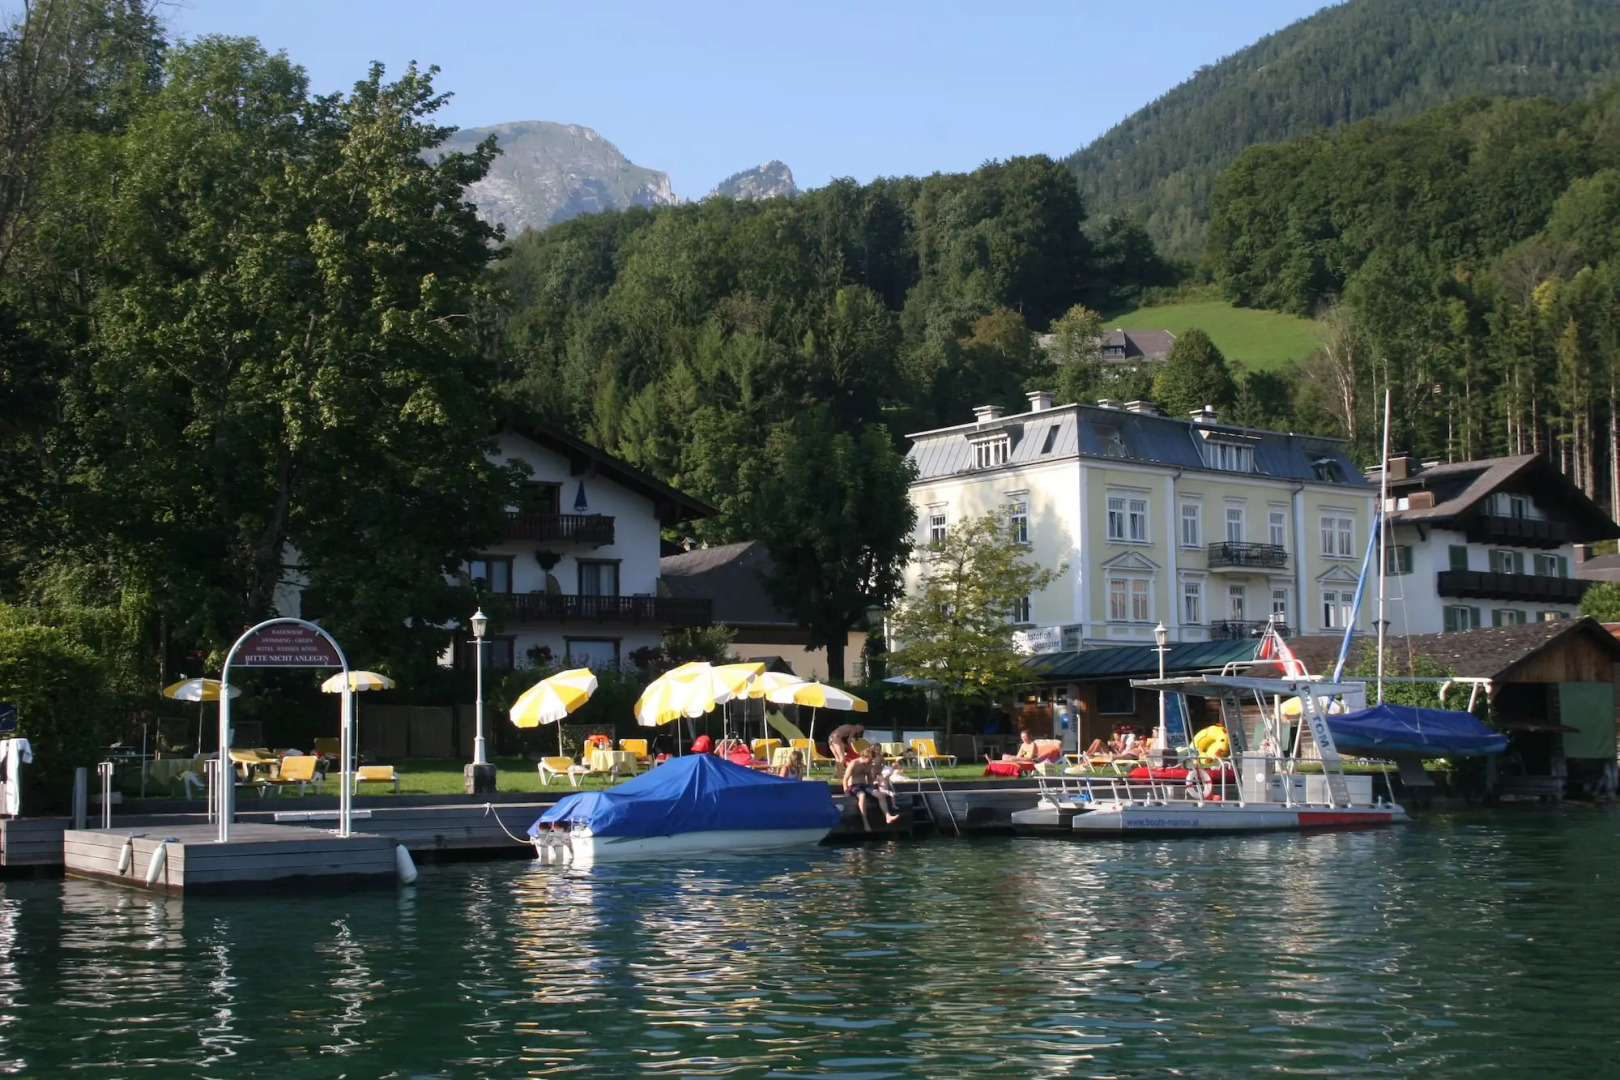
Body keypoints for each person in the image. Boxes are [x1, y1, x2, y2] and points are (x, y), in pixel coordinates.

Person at [844, 747, 900, 829]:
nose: (870, 762)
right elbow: (845, 779)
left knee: (880, 795)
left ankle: (888, 816)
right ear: (864, 757)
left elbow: (869, 778)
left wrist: (873, 789)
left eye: (871, 760)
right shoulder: (854, 764)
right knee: (862, 795)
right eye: (869, 760)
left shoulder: (869, 765)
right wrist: (846, 792)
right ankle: (865, 823)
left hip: (864, 785)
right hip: (853, 786)